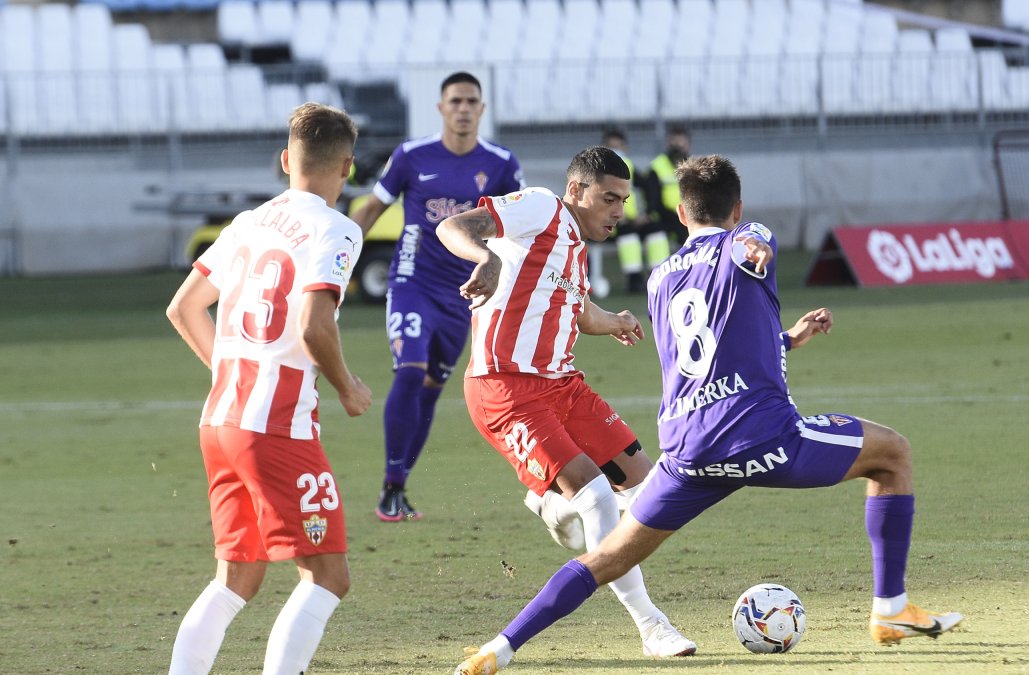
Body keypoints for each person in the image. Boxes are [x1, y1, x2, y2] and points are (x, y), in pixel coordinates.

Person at [454, 155, 963, 675]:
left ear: (679, 214)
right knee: (892, 454)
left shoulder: (659, 279)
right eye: (611, 198)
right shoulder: (742, 241)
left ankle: (500, 648)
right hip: (758, 437)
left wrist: (785, 339)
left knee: (607, 556)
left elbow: (706, 353)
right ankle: (891, 610)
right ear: (737, 209)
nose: (619, 210)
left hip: (688, 452)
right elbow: (750, 248)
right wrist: (753, 247)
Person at [437, 145, 697, 662]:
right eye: (608, 198)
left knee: (647, 486)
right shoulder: (541, 208)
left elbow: (576, 313)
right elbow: (453, 228)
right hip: (505, 387)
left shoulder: (574, 246)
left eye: (623, 200)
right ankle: (652, 626)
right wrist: (484, 255)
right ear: (576, 191)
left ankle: (553, 502)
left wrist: (617, 321)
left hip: (563, 386)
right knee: (599, 498)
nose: (619, 211)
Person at [165, 103, 372, 675]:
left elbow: (183, 309)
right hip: (276, 429)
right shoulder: (338, 229)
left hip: (221, 421)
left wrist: (232, 370)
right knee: (328, 575)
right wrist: (348, 388)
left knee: (238, 576)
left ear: (286, 160)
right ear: (348, 167)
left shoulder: (248, 222)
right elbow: (313, 324)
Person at [350, 71, 526, 522]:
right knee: (410, 370)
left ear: (482, 110)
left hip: (464, 294)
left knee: (430, 389)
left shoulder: (502, 163)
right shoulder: (411, 156)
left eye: (471, 101)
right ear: (441, 108)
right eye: (455, 101)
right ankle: (389, 486)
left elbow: (520, 225)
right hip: (412, 281)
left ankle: (399, 487)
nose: (463, 109)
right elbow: (372, 207)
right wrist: (341, 260)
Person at [595, 128, 671, 295]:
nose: (615, 152)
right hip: (613, 224)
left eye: (618, 147)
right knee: (627, 234)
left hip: (635, 220)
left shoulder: (630, 168)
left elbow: (649, 191)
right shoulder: (596, 174)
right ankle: (634, 278)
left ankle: (659, 276)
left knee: (656, 230)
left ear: (626, 148)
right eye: (610, 147)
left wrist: (646, 215)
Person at [641, 125, 691, 249]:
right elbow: (653, 199)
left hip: (689, 215)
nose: (677, 146)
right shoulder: (657, 166)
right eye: (674, 142)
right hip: (664, 217)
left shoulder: (694, 166)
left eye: (681, 142)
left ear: (688, 144)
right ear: (668, 143)